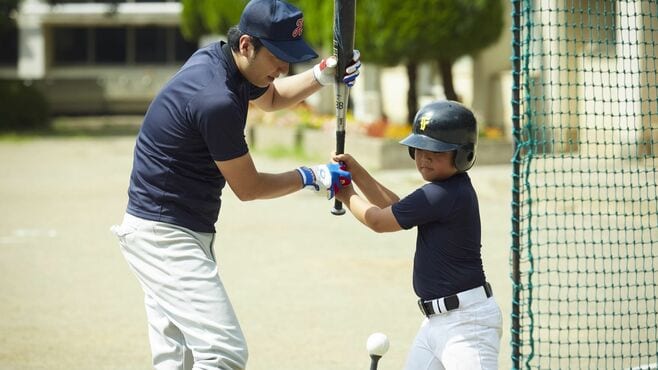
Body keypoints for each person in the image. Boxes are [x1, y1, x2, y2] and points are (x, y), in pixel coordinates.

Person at [110, 0, 359, 368]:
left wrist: (324, 73)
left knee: (178, 360)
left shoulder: (221, 61)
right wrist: (314, 176)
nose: (284, 67)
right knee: (224, 351)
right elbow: (249, 187)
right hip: (165, 236)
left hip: (169, 229)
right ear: (246, 45)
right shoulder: (216, 99)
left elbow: (271, 99)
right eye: (277, 56)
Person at [334, 100, 503, 370]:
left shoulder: (442, 194)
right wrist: (356, 172)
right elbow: (393, 207)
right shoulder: (443, 190)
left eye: (436, 150)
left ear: (462, 155)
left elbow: (378, 221)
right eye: (420, 148)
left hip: (468, 327)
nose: (424, 157)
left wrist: (345, 193)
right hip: (435, 323)